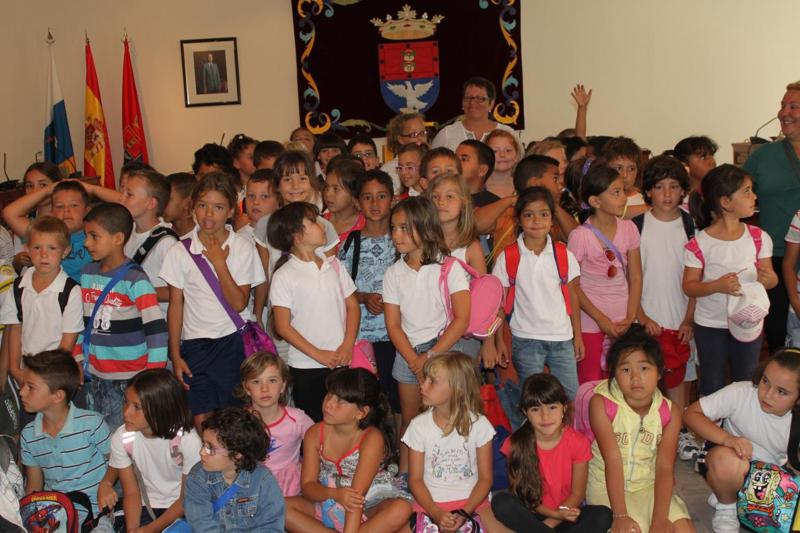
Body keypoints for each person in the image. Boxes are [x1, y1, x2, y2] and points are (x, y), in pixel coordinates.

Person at [160, 173, 265, 428]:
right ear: (192, 206)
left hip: (232, 342)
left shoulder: (242, 248)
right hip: (195, 344)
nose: (209, 214)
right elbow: (176, 305)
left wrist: (219, 262)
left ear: (230, 211)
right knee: (201, 416)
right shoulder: (179, 251)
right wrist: (175, 354)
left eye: (218, 207)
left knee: (235, 413)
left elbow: (239, 303)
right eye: (202, 205)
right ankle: (209, 463)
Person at [383, 197, 471, 472]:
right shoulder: (393, 273)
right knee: (411, 420)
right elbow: (393, 326)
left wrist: (431, 355)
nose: (397, 235)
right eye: (394, 228)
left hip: (443, 349)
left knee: (448, 416)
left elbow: (461, 319)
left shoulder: (450, 267)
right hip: (408, 351)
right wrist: (415, 360)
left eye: (405, 228)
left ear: (426, 227)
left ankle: (448, 472)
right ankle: (408, 478)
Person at [587, 325, 694, 533]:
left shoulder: (670, 413)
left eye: (644, 368)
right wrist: (620, 515)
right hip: (607, 486)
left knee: (682, 529)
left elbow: (664, 467)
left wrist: (660, 519)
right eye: (625, 370)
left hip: (648, 485)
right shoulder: (601, 404)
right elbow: (613, 460)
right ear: (614, 374)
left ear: (659, 372)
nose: (635, 378)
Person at [683, 164, 778, 396]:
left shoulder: (758, 237)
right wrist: (717, 286)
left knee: (746, 380)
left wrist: (769, 279)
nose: (754, 196)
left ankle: (739, 429)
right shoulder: (700, 243)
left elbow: (771, 279)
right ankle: (711, 429)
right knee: (711, 381)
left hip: (749, 322)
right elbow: (689, 286)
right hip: (711, 325)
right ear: (725, 202)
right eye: (746, 191)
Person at [683, 348, 800, 533]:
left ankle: (735, 496)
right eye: (765, 381)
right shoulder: (741, 392)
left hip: (767, 476)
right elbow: (691, 414)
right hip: (726, 461)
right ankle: (727, 505)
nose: (768, 394)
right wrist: (727, 439)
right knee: (725, 461)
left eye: (782, 391)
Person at [73, 203, 168, 429]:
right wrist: (77, 357)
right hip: (94, 374)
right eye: (86, 235)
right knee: (99, 434)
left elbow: (156, 331)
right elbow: (81, 322)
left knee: (124, 435)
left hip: (130, 379)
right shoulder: (87, 273)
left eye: (94, 236)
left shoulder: (135, 279)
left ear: (117, 238)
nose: (86, 243)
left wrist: (151, 378)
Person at [284, 368, 412, 533]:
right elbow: (308, 487)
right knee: (281, 507)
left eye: (340, 401)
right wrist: (335, 494)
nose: (329, 404)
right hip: (328, 499)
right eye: (329, 394)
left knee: (401, 509)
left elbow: (356, 499)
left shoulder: (371, 439)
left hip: (368, 504)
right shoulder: (315, 433)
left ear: (361, 412)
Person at [267, 202, 360, 422]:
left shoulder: (334, 265)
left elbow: (353, 306)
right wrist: (318, 354)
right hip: (306, 365)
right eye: (314, 221)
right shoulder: (285, 275)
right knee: (314, 424)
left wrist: (347, 344)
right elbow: (282, 326)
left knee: (344, 420)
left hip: (340, 361)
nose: (322, 225)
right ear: (297, 236)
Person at [492, 373, 612, 532]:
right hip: (531, 515)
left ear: (564, 408)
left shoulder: (578, 442)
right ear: (525, 412)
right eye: (535, 409)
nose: (545, 416)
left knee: (603, 515)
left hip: (566, 513)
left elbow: (577, 494)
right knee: (501, 501)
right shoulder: (515, 443)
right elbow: (521, 494)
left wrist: (553, 521)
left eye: (552, 407)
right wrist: (552, 516)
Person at [492, 187, 582, 399]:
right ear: (519, 220)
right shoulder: (508, 256)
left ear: (552, 220)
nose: (536, 220)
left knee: (570, 396)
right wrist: (499, 341)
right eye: (529, 215)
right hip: (525, 339)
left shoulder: (563, 254)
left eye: (543, 214)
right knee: (533, 398)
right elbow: (498, 303)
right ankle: (533, 432)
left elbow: (573, 297)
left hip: (562, 337)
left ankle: (568, 433)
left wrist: (577, 335)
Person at [403, 352, 506, 531]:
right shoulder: (418, 426)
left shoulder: (480, 425)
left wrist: (465, 511)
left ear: (457, 388)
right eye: (424, 379)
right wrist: (436, 512)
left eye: (432, 381)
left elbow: (485, 479)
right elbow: (416, 480)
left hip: (473, 502)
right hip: (430, 504)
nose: (422, 386)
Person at [97, 369, 201, 532]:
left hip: (182, 510)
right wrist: (133, 530)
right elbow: (131, 492)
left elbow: (186, 499)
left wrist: (152, 529)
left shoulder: (186, 440)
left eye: (137, 407)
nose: (126, 412)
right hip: (145, 507)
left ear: (161, 408)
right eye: (126, 402)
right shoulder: (123, 437)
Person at [567, 164, 643, 383]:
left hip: (623, 320)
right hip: (591, 322)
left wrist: (630, 316)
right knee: (591, 382)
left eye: (623, 192)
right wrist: (601, 319)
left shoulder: (629, 229)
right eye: (616, 193)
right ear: (595, 202)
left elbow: (635, 276)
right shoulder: (580, 236)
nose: (623, 198)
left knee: (621, 381)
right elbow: (573, 286)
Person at [634, 156, 696, 409]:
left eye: (673, 186)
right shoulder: (635, 227)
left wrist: (689, 319)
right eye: (659, 186)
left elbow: (697, 278)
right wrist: (641, 316)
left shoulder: (692, 226)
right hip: (646, 321)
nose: (667, 193)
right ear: (648, 191)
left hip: (682, 321)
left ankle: (679, 437)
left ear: (683, 190)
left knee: (681, 384)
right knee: (643, 386)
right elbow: (630, 280)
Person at [338, 170, 400, 416]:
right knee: (364, 402)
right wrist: (363, 297)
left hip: (397, 335)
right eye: (368, 197)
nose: (375, 204)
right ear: (357, 202)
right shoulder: (351, 242)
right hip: (361, 335)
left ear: (393, 200)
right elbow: (340, 288)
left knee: (395, 400)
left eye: (382, 196)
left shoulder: (403, 240)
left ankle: (395, 450)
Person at [743, 81, 800, 353]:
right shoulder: (762, 156)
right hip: (774, 258)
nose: (783, 112)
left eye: (793, 106)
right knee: (778, 333)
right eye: (782, 105)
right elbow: (731, 197)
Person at [20, 350, 111, 517]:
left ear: (57, 396)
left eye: (30, 387)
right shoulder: (28, 435)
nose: (21, 392)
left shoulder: (91, 424)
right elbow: (34, 487)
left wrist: (107, 484)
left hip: (96, 514)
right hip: (55, 515)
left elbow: (118, 463)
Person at [82, 169, 177, 315]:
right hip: (129, 319)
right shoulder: (127, 229)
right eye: (123, 192)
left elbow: (176, 292)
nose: (121, 198)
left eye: (129, 194)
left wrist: (133, 289)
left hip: (155, 320)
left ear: (151, 204)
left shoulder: (166, 242)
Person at [1, 217, 83, 387]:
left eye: (52, 248)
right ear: (27, 249)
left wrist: (45, 380)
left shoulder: (71, 292)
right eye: (37, 248)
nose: (43, 255)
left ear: (65, 251)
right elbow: (14, 330)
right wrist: (15, 369)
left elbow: (66, 345)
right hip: (24, 377)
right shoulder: (18, 287)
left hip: (55, 378)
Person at [424, 172, 494, 363]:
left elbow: (486, 299)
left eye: (449, 196)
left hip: (464, 336)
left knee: (458, 390)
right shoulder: (420, 245)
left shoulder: (471, 248)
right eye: (435, 197)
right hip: (425, 333)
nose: (441, 202)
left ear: (463, 203)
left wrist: (488, 342)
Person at [184, 407, 285, 532]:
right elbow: (202, 525)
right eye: (203, 444)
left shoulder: (263, 479)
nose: (202, 452)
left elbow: (271, 525)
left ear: (237, 455)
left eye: (210, 448)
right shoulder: (197, 478)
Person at [239, 351, 313, 496]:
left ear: (283, 386)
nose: (264, 388)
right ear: (246, 388)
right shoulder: (239, 421)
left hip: (288, 485)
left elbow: (320, 442)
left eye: (272, 381)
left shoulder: (297, 418)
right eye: (256, 382)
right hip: (250, 482)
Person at [3, 180, 92, 281]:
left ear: (87, 210)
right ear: (52, 212)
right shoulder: (44, 234)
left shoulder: (94, 235)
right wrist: (49, 189)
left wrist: (92, 189)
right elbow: (9, 213)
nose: (66, 210)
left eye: (74, 205)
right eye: (59, 206)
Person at [431, 77, 515, 151]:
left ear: (491, 103)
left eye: (479, 98)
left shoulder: (507, 133)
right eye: (468, 98)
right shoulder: (447, 134)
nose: (472, 103)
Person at [381, 112, 430, 194]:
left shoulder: (433, 162)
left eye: (423, 133)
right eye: (414, 134)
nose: (420, 139)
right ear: (401, 139)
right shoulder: (389, 170)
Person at [600, 137, 647, 220]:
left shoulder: (646, 200)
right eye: (618, 168)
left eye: (631, 169)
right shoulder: (598, 199)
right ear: (605, 168)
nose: (624, 175)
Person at [323, 155, 366, 245]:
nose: (328, 194)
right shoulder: (320, 223)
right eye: (326, 187)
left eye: (336, 189)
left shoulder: (366, 225)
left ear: (354, 192)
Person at [672, 136, 717, 201]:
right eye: (703, 157)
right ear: (684, 165)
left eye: (712, 156)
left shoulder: (719, 194)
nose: (712, 161)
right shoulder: (674, 199)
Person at [456, 140, 496, 206]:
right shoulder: (441, 197)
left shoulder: (495, 206)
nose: (455, 162)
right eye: (454, 157)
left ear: (482, 170)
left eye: (463, 159)